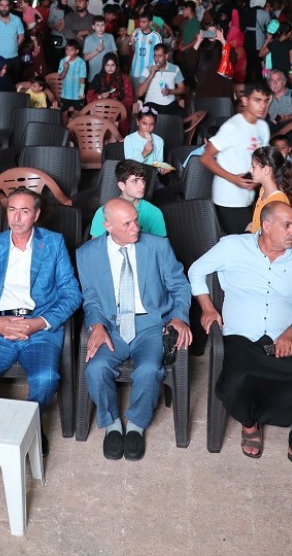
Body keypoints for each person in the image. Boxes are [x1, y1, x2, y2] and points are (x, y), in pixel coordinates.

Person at [188, 202, 292, 478]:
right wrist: (207, 307)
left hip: (283, 336)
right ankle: (250, 425)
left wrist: (291, 332)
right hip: (241, 335)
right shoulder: (232, 247)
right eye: (287, 225)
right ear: (266, 225)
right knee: (234, 380)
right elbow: (196, 271)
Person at [0, 188, 81, 450]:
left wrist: (39, 323)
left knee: (46, 378)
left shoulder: (53, 243)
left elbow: (71, 293)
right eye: (12, 210)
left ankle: (30, 428)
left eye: (24, 211)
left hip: (38, 326)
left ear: (36, 214)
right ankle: (0, 427)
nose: (16, 217)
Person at [77, 197, 191, 460]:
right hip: (111, 324)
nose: (135, 228)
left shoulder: (158, 247)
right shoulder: (87, 254)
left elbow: (179, 285)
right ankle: (112, 425)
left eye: (135, 221)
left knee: (149, 369)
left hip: (151, 323)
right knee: (95, 368)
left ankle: (137, 426)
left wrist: (179, 317)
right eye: (127, 224)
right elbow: (91, 297)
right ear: (108, 226)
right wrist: (96, 324)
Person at [200, 83, 271, 233]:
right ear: (245, 101)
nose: (262, 105)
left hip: (249, 195)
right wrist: (233, 178)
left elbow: (263, 159)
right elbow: (205, 158)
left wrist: (257, 182)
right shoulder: (232, 127)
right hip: (228, 197)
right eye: (257, 100)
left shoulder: (263, 127)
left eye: (265, 101)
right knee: (244, 242)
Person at [87, 160, 167, 238]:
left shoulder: (154, 213)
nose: (142, 186)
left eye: (143, 180)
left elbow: (160, 248)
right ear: (122, 185)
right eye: (135, 181)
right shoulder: (103, 213)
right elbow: (95, 248)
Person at [246, 145, 292, 232]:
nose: (250, 170)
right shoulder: (263, 190)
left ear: (266, 170)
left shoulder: (277, 201)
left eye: (253, 167)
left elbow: (274, 235)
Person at [136, 44, 186, 116]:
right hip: (151, 104)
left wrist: (170, 91)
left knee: (183, 118)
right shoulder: (147, 69)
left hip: (170, 104)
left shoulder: (175, 68)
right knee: (148, 117)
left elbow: (182, 89)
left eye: (160, 56)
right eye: (155, 56)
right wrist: (151, 75)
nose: (157, 59)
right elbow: (139, 93)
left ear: (166, 56)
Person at [56, 40, 87, 115]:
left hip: (77, 94)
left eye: (71, 50)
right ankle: (64, 127)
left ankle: (75, 126)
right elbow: (61, 77)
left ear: (77, 51)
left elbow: (82, 78)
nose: (68, 52)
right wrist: (65, 68)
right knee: (64, 113)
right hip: (65, 94)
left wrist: (81, 91)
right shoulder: (62, 61)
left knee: (77, 114)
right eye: (67, 49)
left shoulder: (81, 62)